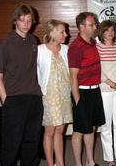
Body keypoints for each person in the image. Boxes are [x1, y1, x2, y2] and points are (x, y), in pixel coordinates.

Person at [0, 4, 43, 165]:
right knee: (11, 145)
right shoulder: (5, 44)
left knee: (32, 143)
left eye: (29, 20)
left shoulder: (33, 40)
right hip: (14, 100)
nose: (26, 24)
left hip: (34, 99)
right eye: (22, 20)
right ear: (15, 21)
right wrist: (6, 100)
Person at [68, 12, 105, 166]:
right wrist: (78, 101)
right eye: (91, 24)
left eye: (95, 24)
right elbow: (73, 76)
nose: (95, 27)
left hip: (94, 91)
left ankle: (90, 161)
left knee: (91, 128)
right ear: (81, 27)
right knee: (78, 131)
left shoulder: (92, 43)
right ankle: (78, 164)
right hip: (81, 92)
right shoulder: (76, 47)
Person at [37, 19, 73, 166]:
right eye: (62, 32)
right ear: (51, 33)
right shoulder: (39, 50)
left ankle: (60, 162)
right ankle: (50, 164)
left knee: (60, 129)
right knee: (50, 131)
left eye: (65, 31)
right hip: (49, 96)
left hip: (64, 95)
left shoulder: (66, 49)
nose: (66, 34)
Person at [96, 20, 116, 166]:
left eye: (112, 30)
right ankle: (109, 158)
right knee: (106, 125)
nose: (110, 33)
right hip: (105, 90)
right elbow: (99, 71)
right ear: (101, 32)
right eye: (106, 30)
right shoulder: (98, 48)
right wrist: (112, 84)